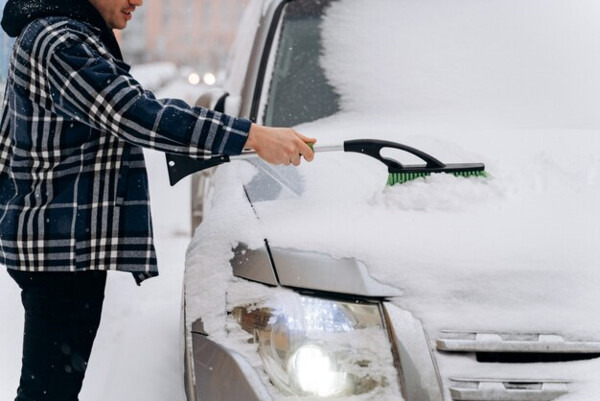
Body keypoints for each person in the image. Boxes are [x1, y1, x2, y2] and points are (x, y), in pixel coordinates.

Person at [0, 0, 315, 400]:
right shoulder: (58, 40)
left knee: (52, 391)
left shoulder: (65, 33)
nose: (139, 1)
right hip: (57, 248)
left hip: (59, 242)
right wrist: (251, 135)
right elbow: (135, 112)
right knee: (48, 393)